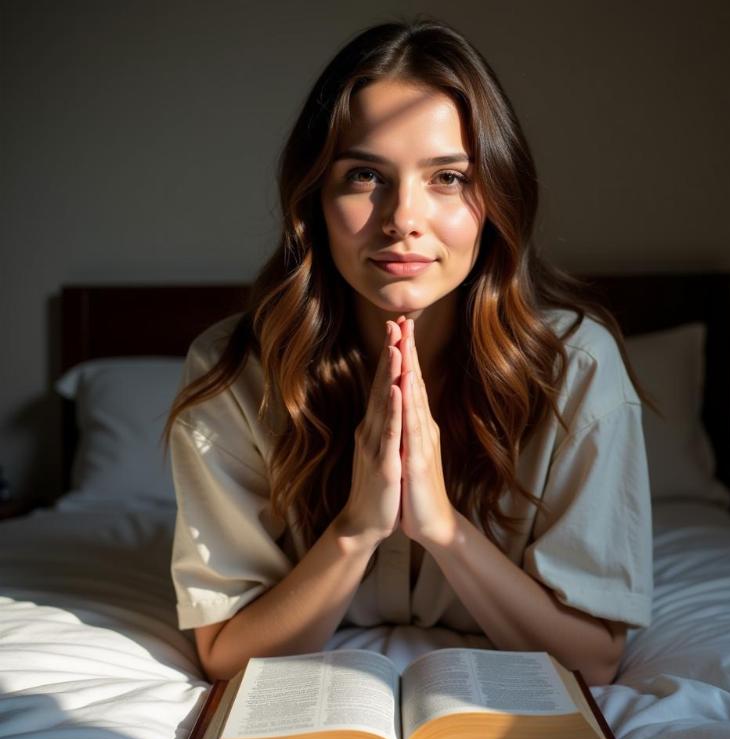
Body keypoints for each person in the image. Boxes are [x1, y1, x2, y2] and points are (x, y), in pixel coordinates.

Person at [164, 17, 654, 686]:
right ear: (314, 200)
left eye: (448, 178)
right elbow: (223, 653)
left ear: (496, 199)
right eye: (366, 175)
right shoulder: (234, 374)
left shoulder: (577, 367)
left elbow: (596, 658)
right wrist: (356, 528)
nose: (402, 218)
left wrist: (444, 530)